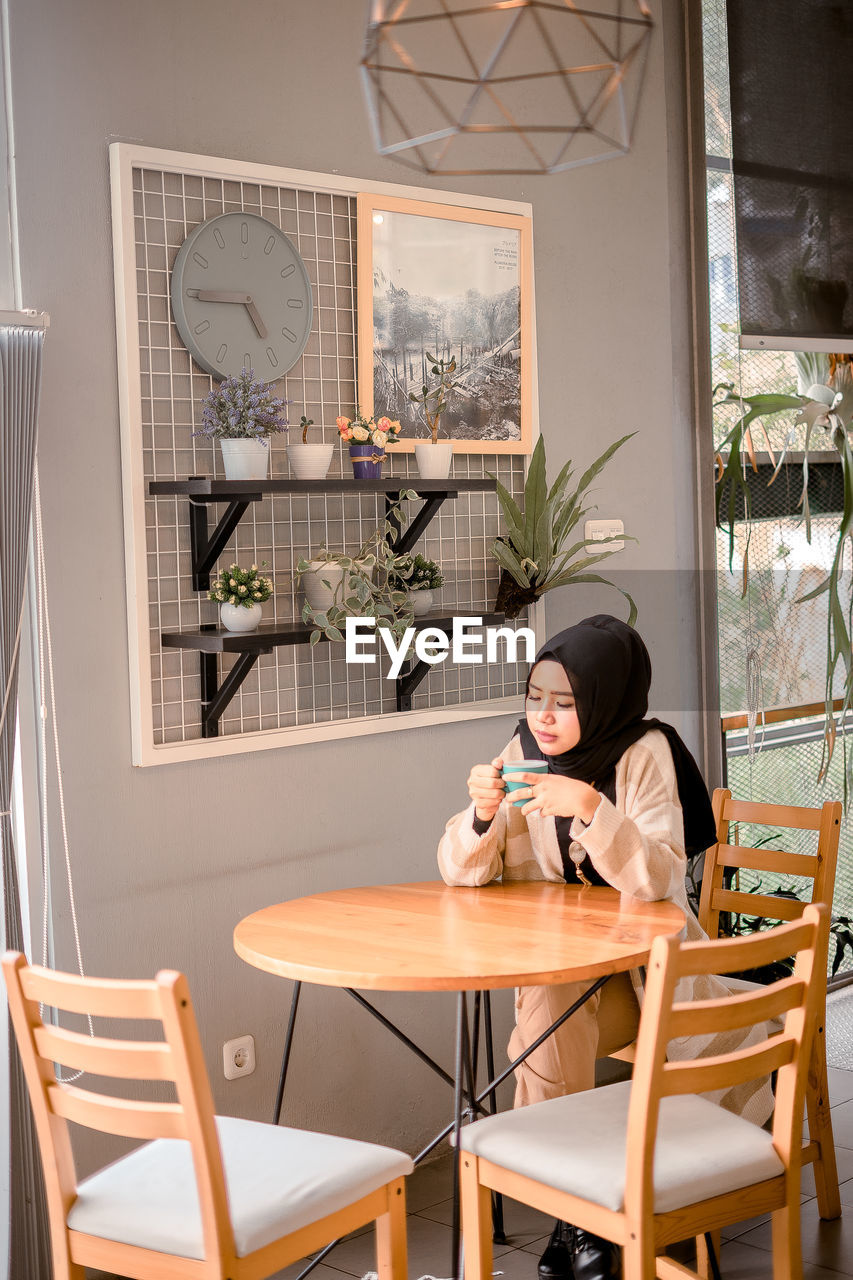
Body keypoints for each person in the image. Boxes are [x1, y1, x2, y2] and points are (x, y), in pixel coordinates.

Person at [437, 615, 739, 1280]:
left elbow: (659, 878)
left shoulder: (643, 752)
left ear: (603, 698)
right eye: (534, 696)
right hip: (569, 971)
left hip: (646, 981)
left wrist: (589, 809)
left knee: (543, 1013)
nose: (542, 717)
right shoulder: (522, 749)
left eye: (564, 702)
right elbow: (461, 872)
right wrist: (482, 816)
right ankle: (581, 1218)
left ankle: (570, 1215)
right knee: (549, 993)